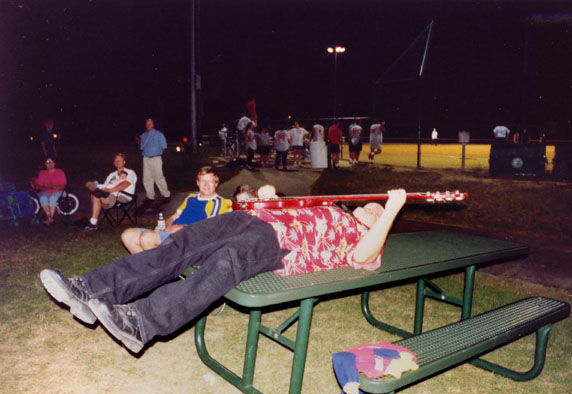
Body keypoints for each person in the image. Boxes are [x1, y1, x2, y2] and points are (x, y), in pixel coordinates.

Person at [39, 186, 407, 354]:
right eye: (373, 206)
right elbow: (284, 208)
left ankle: (141, 322)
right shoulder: (334, 208)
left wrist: (390, 210)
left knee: (223, 264)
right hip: (251, 219)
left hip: (277, 245)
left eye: (377, 213)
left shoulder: (363, 239)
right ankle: (89, 288)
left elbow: (364, 257)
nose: (372, 209)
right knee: (179, 244)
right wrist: (269, 197)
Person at [121, 167, 232, 254]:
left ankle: (158, 271)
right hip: (171, 233)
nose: (206, 185)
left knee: (147, 238)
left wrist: (182, 228)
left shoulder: (218, 202)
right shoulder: (192, 197)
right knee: (128, 235)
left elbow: (209, 229)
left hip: (187, 240)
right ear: (198, 183)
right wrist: (164, 227)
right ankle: (148, 269)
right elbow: (174, 216)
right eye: (203, 181)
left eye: (210, 181)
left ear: (216, 184)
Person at [83, 153, 137, 231]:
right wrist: (105, 189)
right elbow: (106, 186)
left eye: (119, 160)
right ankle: (93, 222)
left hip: (122, 196)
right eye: (115, 161)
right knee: (96, 194)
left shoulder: (130, 172)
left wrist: (111, 190)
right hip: (108, 194)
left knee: (96, 194)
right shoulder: (112, 175)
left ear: (124, 162)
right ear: (113, 163)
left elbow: (125, 184)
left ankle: (93, 223)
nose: (117, 162)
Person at [139, 118, 170, 207]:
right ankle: (150, 196)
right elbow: (141, 147)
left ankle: (166, 195)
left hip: (156, 158)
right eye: (147, 124)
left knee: (158, 177)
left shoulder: (159, 134)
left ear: (153, 125)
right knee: (147, 178)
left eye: (150, 124)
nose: (148, 125)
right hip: (146, 158)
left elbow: (164, 147)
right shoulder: (143, 135)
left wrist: (156, 153)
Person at [36, 156, 66, 225]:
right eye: (47, 162)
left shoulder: (60, 172)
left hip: (59, 191)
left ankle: (50, 218)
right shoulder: (42, 173)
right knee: (43, 197)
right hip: (46, 191)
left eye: (51, 162)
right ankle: (49, 217)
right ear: (45, 164)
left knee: (53, 197)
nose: (49, 164)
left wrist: (53, 187)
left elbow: (63, 186)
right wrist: (47, 188)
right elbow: (40, 187)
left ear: (54, 163)